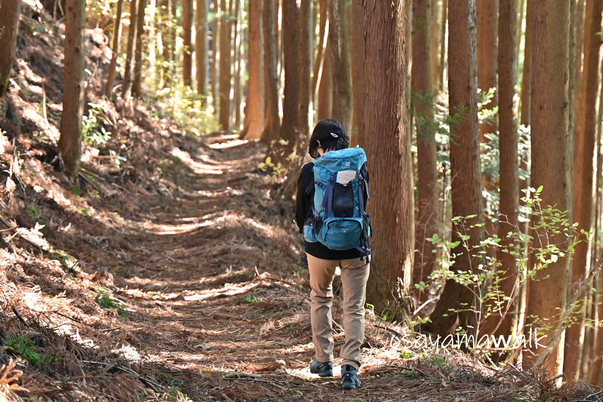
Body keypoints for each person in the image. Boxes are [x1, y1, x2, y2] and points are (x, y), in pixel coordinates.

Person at [295, 119, 370, 390]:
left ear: (317, 145)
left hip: (319, 248)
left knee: (321, 298)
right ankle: (350, 368)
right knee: (354, 307)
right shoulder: (360, 165)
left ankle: (323, 361)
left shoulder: (310, 170)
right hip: (356, 247)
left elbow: (300, 213)